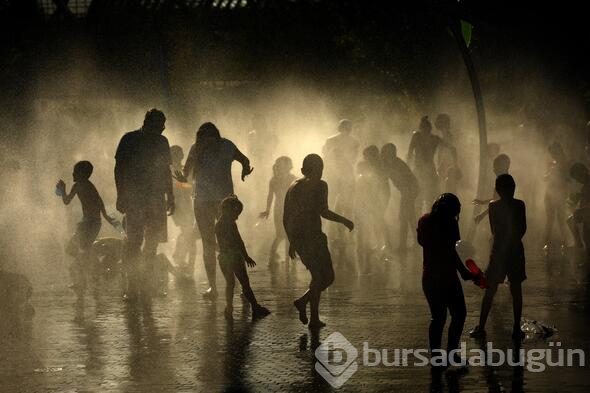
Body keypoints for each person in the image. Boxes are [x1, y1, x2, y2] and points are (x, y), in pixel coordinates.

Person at [181, 122, 253, 299]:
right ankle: (213, 287)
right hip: (202, 200)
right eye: (204, 139)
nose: (208, 142)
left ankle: (243, 286)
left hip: (224, 202)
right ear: (200, 138)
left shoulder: (227, 145)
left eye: (211, 138)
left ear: (217, 136)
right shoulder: (195, 148)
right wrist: (181, 177)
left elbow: (244, 159)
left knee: (230, 241)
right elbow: (186, 172)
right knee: (208, 243)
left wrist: (244, 169)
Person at [284, 154, 354, 329]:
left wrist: (292, 240)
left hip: (302, 238)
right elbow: (323, 211)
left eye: (320, 170)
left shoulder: (293, 187)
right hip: (312, 237)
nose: (319, 174)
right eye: (317, 170)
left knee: (319, 277)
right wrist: (344, 220)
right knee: (326, 277)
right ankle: (306, 306)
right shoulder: (320, 185)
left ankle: (310, 311)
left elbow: (286, 217)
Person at [115, 109, 175, 300]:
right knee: (134, 241)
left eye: (163, 125)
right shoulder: (129, 139)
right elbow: (119, 168)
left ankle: (147, 284)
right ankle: (131, 286)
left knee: (153, 242)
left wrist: (170, 196)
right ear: (148, 123)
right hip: (135, 197)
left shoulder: (162, 142)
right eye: (159, 125)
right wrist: (120, 194)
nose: (162, 128)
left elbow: (166, 170)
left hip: (156, 198)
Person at [417, 193, 478, 369]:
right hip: (448, 276)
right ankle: (451, 353)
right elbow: (451, 252)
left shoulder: (424, 221)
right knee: (459, 314)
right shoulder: (450, 223)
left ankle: (436, 356)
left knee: (438, 318)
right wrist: (465, 273)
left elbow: (423, 243)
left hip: (429, 275)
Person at [470, 174, 527, 340]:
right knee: (516, 289)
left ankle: (481, 327)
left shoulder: (493, 206)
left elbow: (494, 230)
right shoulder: (519, 205)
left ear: (498, 190)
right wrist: (514, 240)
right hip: (516, 249)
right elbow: (523, 228)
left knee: (490, 289)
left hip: (499, 250)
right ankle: (516, 328)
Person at [56, 160, 115, 295]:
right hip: (92, 223)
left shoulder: (79, 186)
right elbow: (99, 201)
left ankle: (86, 278)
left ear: (82, 174)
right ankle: (93, 273)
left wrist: (62, 189)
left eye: (75, 171)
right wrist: (105, 216)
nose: (73, 174)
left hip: (89, 224)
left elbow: (66, 201)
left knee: (76, 250)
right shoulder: (89, 186)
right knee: (79, 250)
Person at [215, 195, 271, 320]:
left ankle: (229, 307)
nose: (237, 217)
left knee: (230, 283)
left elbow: (217, 243)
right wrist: (246, 257)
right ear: (228, 210)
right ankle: (255, 307)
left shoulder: (219, 224)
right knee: (244, 283)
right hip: (234, 257)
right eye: (236, 213)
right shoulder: (230, 224)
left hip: (224, 258)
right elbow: (239, 242)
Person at [322, 119, 360, 252]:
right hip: (340, 176)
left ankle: (339, 235)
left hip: (341, 176)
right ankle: (341, 235)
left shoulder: (333, 140)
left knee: (337, 206)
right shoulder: (351, 142)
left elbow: (325, 157)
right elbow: (327, 157)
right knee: (341, 206)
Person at [407, 116, 450, 213]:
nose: (425, 132)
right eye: (423, 129)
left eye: (426, 129)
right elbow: (409, 153)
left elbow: (450, 148)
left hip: (429, 170)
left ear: (429, 129)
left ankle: (429, 219)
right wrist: (407, 169)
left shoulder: (434, 139)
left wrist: (449, 162)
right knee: (418, 196)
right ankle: (419, 220)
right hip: (419, 170)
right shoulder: (416, 136)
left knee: (429, 197)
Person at [381, 143, 419, 250]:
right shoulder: (392, 163)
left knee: (404, 217)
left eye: (385, 152)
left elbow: (403, 180)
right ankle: (417, 242)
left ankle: (403, 246)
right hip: (408, 191)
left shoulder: (396, 164)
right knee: (410, 217)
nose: (383, 155)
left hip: (409, 191)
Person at [259, 156, 297, 265]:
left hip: (285, 209)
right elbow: (270, 196)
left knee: (283, 235)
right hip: (284, 209)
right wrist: (267, 210)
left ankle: (284, 256)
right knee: (282, 234)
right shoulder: (289, 179)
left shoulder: (279, 179)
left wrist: (267, 210)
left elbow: (270, 197)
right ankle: (282, 256)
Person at [170, 145, 198, 277]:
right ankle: (181, 259)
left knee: (188, 232)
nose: (182, 155)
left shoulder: (183, 169)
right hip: (178, 205)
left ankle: (181, 258)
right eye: (179, 153)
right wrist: (191, 187)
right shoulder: (171, 169)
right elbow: (176, 185)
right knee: (187, 231)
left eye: (181, 153)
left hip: (186, 204)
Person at [543, 142, 570, 250]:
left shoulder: (565, 163)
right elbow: (545, 177)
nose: (553, 154)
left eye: (554, 152)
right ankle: (547, 243)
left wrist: (559, 176)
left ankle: (564, 242)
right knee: (550, 219)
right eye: (552, 153)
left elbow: (568, 179)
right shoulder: (551, 164)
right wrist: (548, 175)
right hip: (549, 193)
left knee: (560, 219)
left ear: (559, 151)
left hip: (560, 193)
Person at [568, 163, 590, 256]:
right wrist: (577, 198)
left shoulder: (588, 183)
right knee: (586, 236)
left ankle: (579, 244)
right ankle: (585, 255)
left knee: (571, 221)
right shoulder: (585, 185)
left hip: (587, 212)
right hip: (586, 213)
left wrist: (581, 209)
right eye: (576, 179)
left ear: (583, 172)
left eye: (578, 178)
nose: (577, 181)